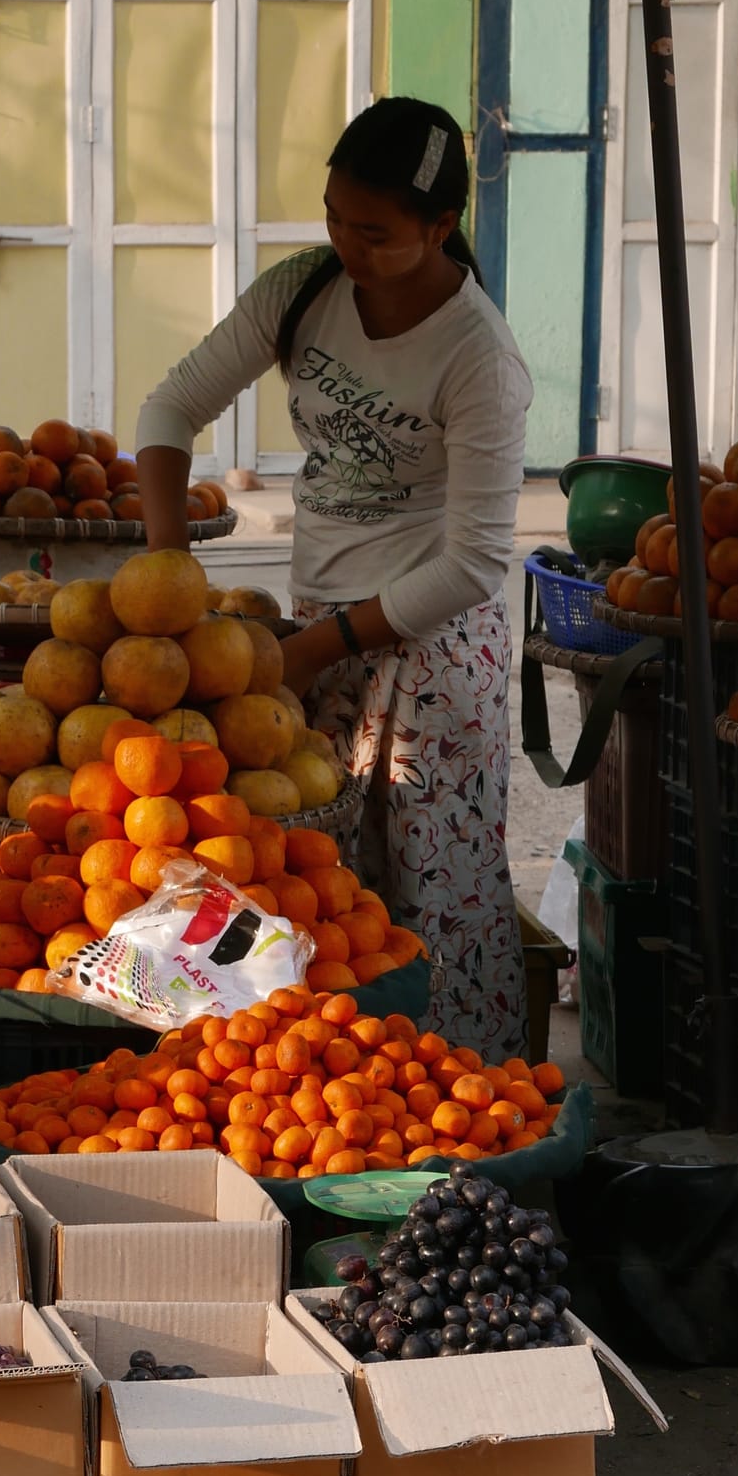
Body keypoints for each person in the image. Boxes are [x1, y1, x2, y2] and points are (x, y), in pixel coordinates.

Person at [134, 95, 532, 1050]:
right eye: (333, 217)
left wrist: (314, 649)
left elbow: (474, 561)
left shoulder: (480, 358)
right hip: (317, 629)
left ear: (441, 228)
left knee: (434, 904)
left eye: (375, 232)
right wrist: (166, 577)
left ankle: (472, 1125)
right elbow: (167, 411)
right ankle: (332, 1115)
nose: (346, 245)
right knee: (320, 899)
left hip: (432, 651)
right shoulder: (302, 292)